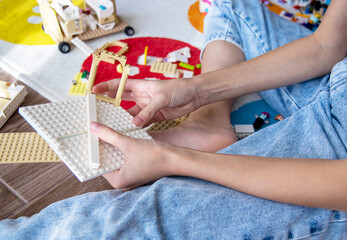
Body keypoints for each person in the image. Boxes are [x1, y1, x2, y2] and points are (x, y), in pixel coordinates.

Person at [0, 0, 346, 239]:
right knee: (231, 7)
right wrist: (196, 92)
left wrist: (178, 159)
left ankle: (204, 141)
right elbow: (327, 47)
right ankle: (207, 123)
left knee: (125, 226)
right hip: (338, 86)